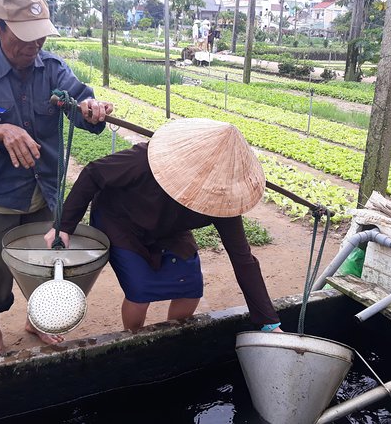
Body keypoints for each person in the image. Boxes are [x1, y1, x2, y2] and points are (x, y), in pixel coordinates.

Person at [0, 0, 114, 356]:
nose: (33, 47)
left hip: (45, 187)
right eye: (24, 38)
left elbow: (80, 101)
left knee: (44, 258)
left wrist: (91, 109)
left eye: (39, 38)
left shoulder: (53, 68)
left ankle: (34, 318)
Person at [44, 118, 283, 333]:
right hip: (122, 222)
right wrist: (64, 226)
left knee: (190, 286)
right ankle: (134, 338)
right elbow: (93, 173)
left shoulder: (221, 198)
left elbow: (243, 259)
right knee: (140, 291)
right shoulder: (145, 160)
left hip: (170, 229)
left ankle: (169, 336)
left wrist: (268, 322)